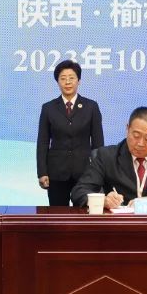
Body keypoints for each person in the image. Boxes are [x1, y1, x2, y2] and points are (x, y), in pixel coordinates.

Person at [71, 107, 147, 210]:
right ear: (127, 129)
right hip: (119, 225)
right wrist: (103, 201)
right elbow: (79, 192)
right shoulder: (107, 156)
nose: (140, 143)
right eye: (136, 135)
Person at [36, 60, 104, 207]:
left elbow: (98, 143)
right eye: (63, 78)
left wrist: (99, 172)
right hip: (56, 173)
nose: (67, 82)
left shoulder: (91, 107)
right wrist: (42, 172)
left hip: (85, 173)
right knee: (58, 215)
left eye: (72, 78)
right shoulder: (48, 108)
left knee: (85, 214)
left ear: (79, 81)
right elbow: (42, 143)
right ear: (57, 82)